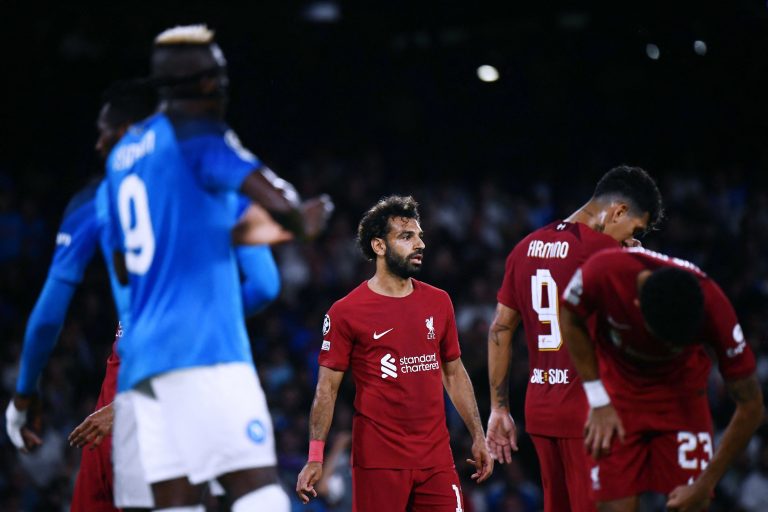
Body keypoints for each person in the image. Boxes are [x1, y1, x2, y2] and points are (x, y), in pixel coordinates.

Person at [4, 81, 289, 510]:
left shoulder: (102, 197)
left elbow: (48, 316)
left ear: (130, 132)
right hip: (221, 359)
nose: (98, 143)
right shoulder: (214, 176)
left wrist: (25, 394)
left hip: (140, 367)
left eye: (106, 132)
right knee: (245, 490)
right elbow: (265, 285)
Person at [103, 24, 330, 511]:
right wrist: (304, 219)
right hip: (206, 352)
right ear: (206, 82)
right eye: (220, 73)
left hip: (143, 364)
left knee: (177, 503)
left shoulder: (123, 155)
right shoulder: (202, 135)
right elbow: (283, 204)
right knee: (258, 492)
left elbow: (124, 262)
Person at [296, 195, 493, 511]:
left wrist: (478, 435)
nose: (420, 244)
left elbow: (454, 373)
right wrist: (316, 456)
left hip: (436, 459)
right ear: (379, 246)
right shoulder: (346, 312)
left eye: (419, 236)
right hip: (378, 461)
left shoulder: (439, 302)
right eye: (406, 236)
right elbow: (326, 389)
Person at [485, 165, 663, 512]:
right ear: (618, 211)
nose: (632, 238)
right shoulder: (608, 256)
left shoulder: (524, 248)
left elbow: (500, 329)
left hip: (540, 410)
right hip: (591, 415)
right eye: (635, 229)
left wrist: (499, 408)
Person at [560, 247, 764, 512]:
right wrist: (597, 399)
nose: (671, 349)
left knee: (691, 504)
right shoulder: (603, 272)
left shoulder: (715, 307)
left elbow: (752, 405)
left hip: (682, 399)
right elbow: (569, 316)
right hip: (618, 396)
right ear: (637, 306)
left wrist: (706, 483)